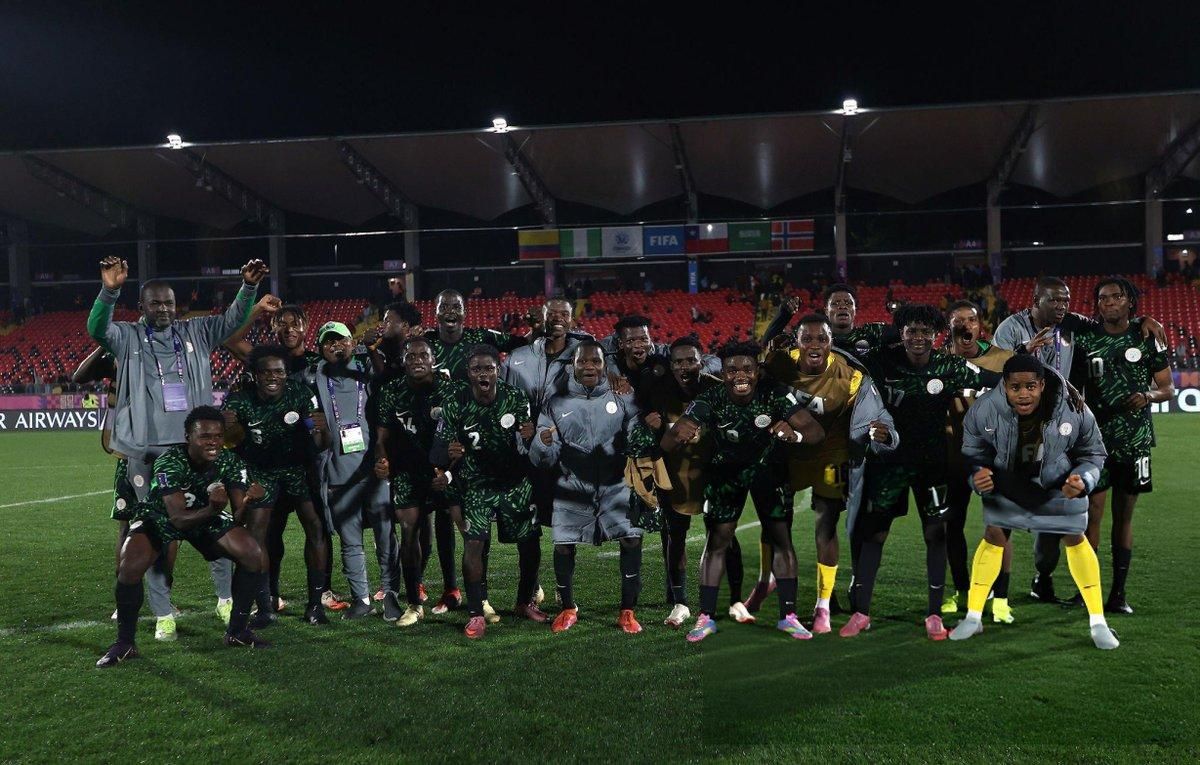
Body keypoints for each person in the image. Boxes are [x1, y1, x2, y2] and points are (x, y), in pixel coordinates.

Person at [87, 255, 264, 641]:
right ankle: (163, 613)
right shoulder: (127, 336)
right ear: (143, 307)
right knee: (157, 536)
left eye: (169, 302)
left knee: (218, 522)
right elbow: (97, 327)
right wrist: (109, 290)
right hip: (148, 453)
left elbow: (233, 320)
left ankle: (225, 601)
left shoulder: (197, 332)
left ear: (176, 305)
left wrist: (248, 288)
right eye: (155, 303)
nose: (164, 309)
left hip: (199, 451)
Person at [994, 277, 1166, 602]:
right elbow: (992, 369)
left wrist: (1144, 318)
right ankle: (994, 590)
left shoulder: (1074, 327)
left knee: (1052, 514)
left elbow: (1113, 323)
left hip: (1064, 438)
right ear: (1035, 299)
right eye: (1054, 300)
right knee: (1006, 513)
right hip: (1017, 436)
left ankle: (1043, 580)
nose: (1061, 306)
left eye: (1065, 301)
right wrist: (1022, 352)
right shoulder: (1011, 328)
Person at [846, 304, 1000, 640]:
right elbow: (843, 353)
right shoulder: (880, 360)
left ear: (937, 335)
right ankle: (862, 612)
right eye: (911, 331)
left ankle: (933, 615)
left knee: (935, 534)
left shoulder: (949, 365)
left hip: (933, 466)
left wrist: (1046, 378)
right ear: (900, 333)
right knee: (875, 535)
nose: (918, 338)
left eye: (925, 332)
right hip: (888, 463)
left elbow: (993, 378)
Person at [660, 341, 826, 643]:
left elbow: (815, 432)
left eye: (747, 369)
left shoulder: (775, 394)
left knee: (781, 539)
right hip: (725, 472)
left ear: (757, 371)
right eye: (733, 369)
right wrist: (676, 434)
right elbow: (668, 443)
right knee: (717, 541)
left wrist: (796, 434)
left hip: (769, 470)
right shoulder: (710, 398)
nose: (741, 375)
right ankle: (706, 617)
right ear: (722, 373)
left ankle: (788, 617)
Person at [950, 355, 1119, 649]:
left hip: (1058, 483)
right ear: (1005, 386)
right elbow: (971, 452)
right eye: (1015, 387)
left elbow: (1093, 453)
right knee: (993, 534)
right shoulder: (985, 409)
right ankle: (973, 618)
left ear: (1041, 385)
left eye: (1030, 386)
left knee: (1074, 537)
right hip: (1008, 482)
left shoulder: (1073, 408)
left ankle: (1098, 623)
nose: (1023, 394)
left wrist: (1084, 479)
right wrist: (977, 474)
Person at [96, 406, 272, 667]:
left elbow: (237, 517)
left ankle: (238, 632)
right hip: (161, 516)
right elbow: (177, 518)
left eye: (217, 436)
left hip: (205, 517)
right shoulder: (170, 461)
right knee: (129, 565)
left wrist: (250, 500)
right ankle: (125, 643)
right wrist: (212, 508)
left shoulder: (230, 461)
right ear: (188, 437)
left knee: (252, 554)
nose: (212, 442)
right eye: (204, 436)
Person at [759, 315, 897, 634]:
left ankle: (823, 605)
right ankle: (774, 586)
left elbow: (871, 412)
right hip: (789, 453)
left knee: (826, 522)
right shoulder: (782, 364)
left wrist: (880, 434)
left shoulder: (850, 376)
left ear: (830, 342)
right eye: (807, 339)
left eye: (821, 339)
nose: (814, 345)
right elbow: (754, 378)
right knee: (778, 524)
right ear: (797, 342)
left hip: (831, 455)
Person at [1068, 279, 1173, 613]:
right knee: (1091, 517)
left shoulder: (1147, 337)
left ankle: (1118, 594)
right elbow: (1074, 387)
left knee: (1123, 518)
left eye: (1116, 296)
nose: (1108, 302)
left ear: (1130, 302)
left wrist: (1148, 396)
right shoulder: (1085, 339)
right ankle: (1088, 591)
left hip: (1135, 440)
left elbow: (1167, 387)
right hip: (1095, 442)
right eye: (1102, 298)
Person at [626, 336, 744, 628]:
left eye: (690, 360)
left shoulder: (717, 388)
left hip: (712, 473)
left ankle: (735, 600)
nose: (684, 366)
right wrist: (653, 427)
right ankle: (680, 603)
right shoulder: (658, 392)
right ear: (671, 365)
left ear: (701, 361)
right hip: (674, 473)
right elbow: (647, 430)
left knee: (724, 536)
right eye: (678, 361)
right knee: (675, 535)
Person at [422, 290, 526, 614]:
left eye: (457, 307)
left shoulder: (481, 338)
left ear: (465, 312)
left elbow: (520, 344)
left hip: (482, 436)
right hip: (442, 436)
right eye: (445, 307)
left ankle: (481, 595)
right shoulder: (425, 343)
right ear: (435, 311)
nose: (451, 312)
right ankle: (451, 587)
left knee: (477, 525)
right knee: (444, 515)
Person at [431, 345, 544, 639]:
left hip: (514, 482)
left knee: (530, 542)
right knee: (474, 545)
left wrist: (529, 438)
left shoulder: (516, 398)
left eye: (488, 368)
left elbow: (529, 447)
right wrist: (447, 454)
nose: (483, 374)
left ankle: (524, 602)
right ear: (468, 373)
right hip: (476, 484)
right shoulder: (455, 401)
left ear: (498, 370)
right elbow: (438, 450)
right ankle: (475, 612)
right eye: (476, 369)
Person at [531, 341, 643, 633]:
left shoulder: (623, 397)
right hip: (572, 485)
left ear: (605, 365)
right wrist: (543, 446)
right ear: (573, 366)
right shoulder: (556, 402)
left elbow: (636, 434)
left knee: (631, 540)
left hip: (616, 484)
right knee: (564, 546)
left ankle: (627, 611)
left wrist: (634, 440)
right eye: (583, 362)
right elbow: (544, 454)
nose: (589, 367)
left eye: (595, 361)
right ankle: (568, 608)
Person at [222, 344, 330, 625]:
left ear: (286, 373)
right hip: (261, 473)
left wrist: (322, 429)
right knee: (257, 535)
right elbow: (229, 442)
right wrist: (230, 427)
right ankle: (264, 606)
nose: (273, 377)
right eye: (266, 372)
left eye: (279, 371)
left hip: (298, 470)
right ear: (255, 375)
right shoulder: (239, 401)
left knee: (315, 528)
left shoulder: (301, 394)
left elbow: (321, 443)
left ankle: (315, 605)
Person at [374, 336, 465, 626]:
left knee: (464, 526)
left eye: (422, 355)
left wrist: (449, 471)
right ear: (403, 360)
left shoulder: (450, 390)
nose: (416, 360)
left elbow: (462, 435)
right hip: (407, 472)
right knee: (409, 530)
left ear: (432, 359)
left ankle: (466, 594)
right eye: (410, 356)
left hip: (444, 471)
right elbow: (381, 436)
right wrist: (383, 461)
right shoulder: (391, 391)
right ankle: (414, 602)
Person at [314, 325, 396, 621]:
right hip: (339, 476)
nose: (335, 346)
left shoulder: (368, 371)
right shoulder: (316, 379)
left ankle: (391, 594)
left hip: (374, 472)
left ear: (352, 343)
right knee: (351, 543)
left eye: (340, 340)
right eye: (328, 342)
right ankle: (361, 599)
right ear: (321, 348)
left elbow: (388, 384)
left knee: (386, 537)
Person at [941, 300, 1014, 622]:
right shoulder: (938, 361)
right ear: (950, 327)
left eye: (971, 319)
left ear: (979, 325)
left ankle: (1000, 599)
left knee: (999, 527)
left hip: (993, 460)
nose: (966, 325)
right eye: (959, 320)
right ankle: (960, 591)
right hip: (951, 459)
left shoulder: (1001, 359)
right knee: (950, 526)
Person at [762, 284, 894, 358]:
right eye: (835, 303)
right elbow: (768, 343)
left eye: (848, 303)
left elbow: (906, 336)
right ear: (826, 310)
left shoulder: (872, 333)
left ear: (855, 309)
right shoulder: (810, 337)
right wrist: (783, 315)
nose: (842, 306)